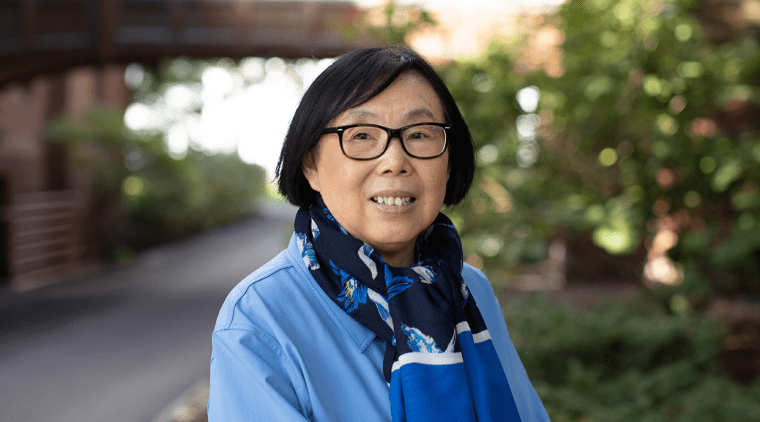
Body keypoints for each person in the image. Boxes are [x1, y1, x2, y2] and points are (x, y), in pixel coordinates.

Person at [208, 46, 550, 422]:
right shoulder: (260, 318)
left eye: (420, 134)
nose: (394, 161)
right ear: (311, 165)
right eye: (362, 136)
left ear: (449, 161)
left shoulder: (470, 289)